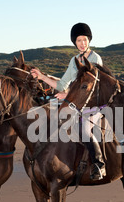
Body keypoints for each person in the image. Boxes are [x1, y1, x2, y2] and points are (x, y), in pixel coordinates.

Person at [31, 22, 106, 180]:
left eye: (84, 40)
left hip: (93, 103)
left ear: (89, 40)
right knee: (54, 124)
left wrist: (67, 95)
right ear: (75, 43)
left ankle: (99, 164)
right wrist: (42, 76)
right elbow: (61, 84)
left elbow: (91, 87)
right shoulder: (74, 61)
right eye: (79, 40)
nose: (82, 43)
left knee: (84, 130)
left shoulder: (95, 59)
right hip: (76, 104)